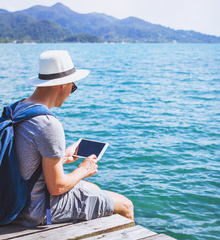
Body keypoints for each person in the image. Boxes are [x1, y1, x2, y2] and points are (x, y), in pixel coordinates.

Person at [13, 50, 134, 227]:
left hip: (14, 198)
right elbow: (57, 187)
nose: (71, 92)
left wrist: (61, 158)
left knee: (94, 190)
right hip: (36, 210)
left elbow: (24, 159)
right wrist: (84, 169)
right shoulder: (48, 124)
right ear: (63, 85)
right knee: (125, 205)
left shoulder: (18, 108)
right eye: (73, 87)